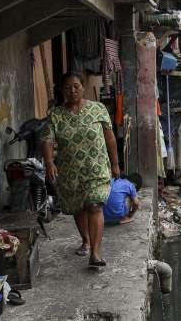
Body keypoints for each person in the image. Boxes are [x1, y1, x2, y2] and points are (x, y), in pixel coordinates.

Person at [42, 73, 120, 268]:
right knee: (78, 207)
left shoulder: (98, 109)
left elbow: (110, 138)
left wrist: (116, 163)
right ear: (63, 91)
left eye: (76, 86)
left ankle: (95, 252)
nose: (73, 90)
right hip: (70, 172)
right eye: (68, 87)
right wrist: (50, 163)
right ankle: (86, 239)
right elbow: (48, 140)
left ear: (83, 87)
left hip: (97, 169)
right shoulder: (55, 114)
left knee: (94, 205)